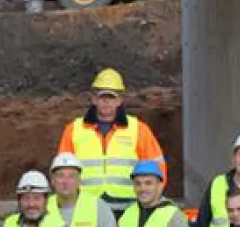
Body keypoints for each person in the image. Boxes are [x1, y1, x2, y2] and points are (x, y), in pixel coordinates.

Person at [57, 68, 167, 216]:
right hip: (86, 207)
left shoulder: (138, 129)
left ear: (120, 100)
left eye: (111, 97)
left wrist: (152, 202)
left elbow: (157, 168)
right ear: (93, 99)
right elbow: (62, 171)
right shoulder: (74, 130)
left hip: (128, 208)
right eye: (102, 97)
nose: (106, 102)